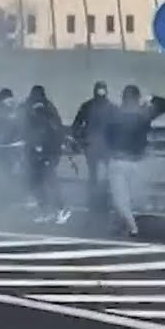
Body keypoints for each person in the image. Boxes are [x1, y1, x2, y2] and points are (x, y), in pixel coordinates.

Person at [102, 85, 165, 236]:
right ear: (137, 98)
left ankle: (131, 227)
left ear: (123, 98)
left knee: (120, 198)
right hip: (137, 162)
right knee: (129, 197)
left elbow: (106, 137)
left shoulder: (115, 113)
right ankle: (124, 224)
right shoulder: (144, 113)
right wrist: (151, 98)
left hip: (118, 161)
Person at [23, 85, 71, 224]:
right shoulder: (34, 111)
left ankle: (62, 209)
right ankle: (46, 210)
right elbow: (31, 131)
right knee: (35, 181)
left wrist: (45, 149)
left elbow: (54, 132)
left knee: (49, 180)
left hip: (49, 152)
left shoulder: (47, 112)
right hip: (39, 152)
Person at [72, 81, 115, 211]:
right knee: (94, 174)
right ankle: (94, 198)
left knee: (108, 174)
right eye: (99, 90)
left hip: (106, 146)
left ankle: (105, 198)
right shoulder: (88, 106)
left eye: (102, 90)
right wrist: (80, 139)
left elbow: (120, 127)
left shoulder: (111, 108)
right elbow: (76, 125)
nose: (101, 93)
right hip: (93, 145)